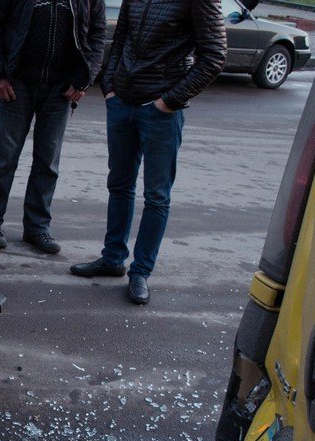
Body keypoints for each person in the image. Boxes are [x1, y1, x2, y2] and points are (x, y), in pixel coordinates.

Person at [70, 0, 226, 304]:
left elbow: (214, 56)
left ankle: (140, 272)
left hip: (161, 111)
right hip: (122, 102)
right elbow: (121, 39)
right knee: (119, 185)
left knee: (156, 196)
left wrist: (169, 101)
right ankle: (113, 258)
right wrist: (110, 86)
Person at [0, 0, 106, 255]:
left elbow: (97, 34)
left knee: (48, 161)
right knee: (4, 158)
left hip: (60, 88)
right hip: (15, 82)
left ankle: (37, 227)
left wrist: (84, 79)